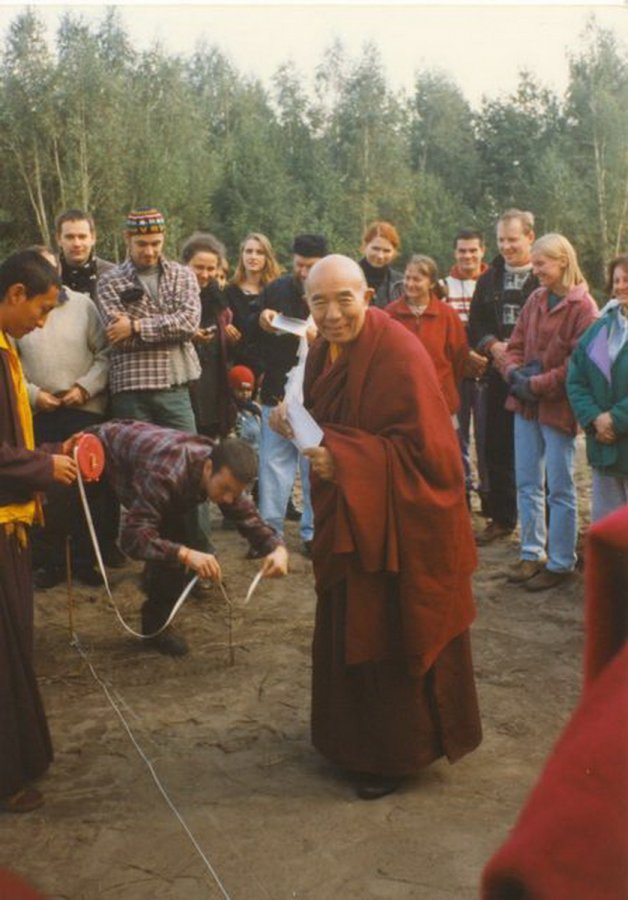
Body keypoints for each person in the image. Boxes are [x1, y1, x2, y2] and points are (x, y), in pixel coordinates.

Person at [272, 254, 481, 799]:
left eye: (345, 300)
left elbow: (432, 461)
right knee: (349, 623)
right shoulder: (323, 350)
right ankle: (350, 742)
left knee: (387, 630)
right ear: (307, 305)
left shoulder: (399, 353)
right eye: (320, 302)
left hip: (401, 529)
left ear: (367, 297)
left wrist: (342, 458)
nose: (333, 314)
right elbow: (323, 416)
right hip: (353, 520)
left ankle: (393, 756)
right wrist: (289, 419)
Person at [95, 420, 288, 657]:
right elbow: (132, 537)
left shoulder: (222, 470)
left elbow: (247, 516)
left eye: (235, 493)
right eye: (225, 489)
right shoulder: (167, 474)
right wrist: (185, 554)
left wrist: (277, 548)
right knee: (64, 526)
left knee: (176, 542)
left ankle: (156, 629)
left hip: (147, 461)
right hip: (99, 449)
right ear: (208, 468)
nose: (228, 499)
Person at [0, 249, 80, 813]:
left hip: (12, 523)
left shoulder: (6, 350)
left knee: (15, 648)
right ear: (14, 295)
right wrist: (41, 467)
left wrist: (51, 452)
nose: (43, 323)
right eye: (42, 309)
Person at [17, 247, 121, 588]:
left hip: (82, 407)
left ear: (59, 269)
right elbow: (12, 365)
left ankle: (84, 560)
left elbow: (105, 353)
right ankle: (51, 563)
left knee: (89, 486)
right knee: (46, 486)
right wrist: (35, 395)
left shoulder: (83, 305)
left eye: (52, 268)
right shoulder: (20, 312)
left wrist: (85, 388)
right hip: (40, 410)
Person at [501, 234, 598, 591]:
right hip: (525, 403)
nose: (535, 270)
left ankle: (560, 561)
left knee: (560, 486)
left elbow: (578, 364)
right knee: (527, 481)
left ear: (562, 261)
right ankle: (531, 553)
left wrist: (536, 384)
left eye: (541, 263)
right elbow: (514, 344)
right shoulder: (535, 299)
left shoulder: (584, 307)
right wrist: (513, 372)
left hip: (558, 407)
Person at [468, 209, 539, 545]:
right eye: (501, 240)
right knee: (496, 446)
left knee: (540, 450)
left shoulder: (544, 274)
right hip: (498, 374)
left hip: (537, 375)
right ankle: (502, 518)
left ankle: (542, 527)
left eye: (513, 239)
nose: (507, 246)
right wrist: (492, 345)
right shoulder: (489, 278)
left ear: (530, 237)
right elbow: (476, 323)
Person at [256, 233, 327, 555]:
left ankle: (314, 533)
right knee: (273, 464)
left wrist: (319, 339)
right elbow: (251, 326)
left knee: (313, 466)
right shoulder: (276, 288)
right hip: (277, 388)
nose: (303, 272)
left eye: (311, 266)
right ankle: (269, 534)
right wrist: (262, 320)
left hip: (316, 395)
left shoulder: (331, 291)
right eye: (299, 265)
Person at [567, 253, 628, 523]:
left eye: (627, 279)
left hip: (620, 434)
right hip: (605, 448)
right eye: (617, 280)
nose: (621, 286)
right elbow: (576, 378)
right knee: (607, 529)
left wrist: (615, 419)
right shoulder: (600, 329)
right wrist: (594, 418)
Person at [386, 254, 470, 419]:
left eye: (417, 280)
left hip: (441, 399)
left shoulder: (447, 315)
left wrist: (443, 384)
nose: (410, 284)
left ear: (431, 283)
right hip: (402, 400)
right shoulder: (390, 313)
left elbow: (460, 357)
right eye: (407, 278)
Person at [445, 229, 490, 511]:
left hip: (487, 374)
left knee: (487, 439)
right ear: (455, 252)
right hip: (456, 375)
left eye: (473, 250)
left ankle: (489, 497)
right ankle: (462, 494)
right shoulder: (443, 286)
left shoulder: (491, 283)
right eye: (462, 250)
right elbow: (443, 331)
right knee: (456, 437)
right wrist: (464, 353)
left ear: (482, 251)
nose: (467, 256)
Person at [181, 231, 238, 439]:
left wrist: (231, 340)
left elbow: (228, 352)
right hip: (184, 382)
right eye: (199, 267)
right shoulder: (175, 296)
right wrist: (189, 335)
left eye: (210, 269)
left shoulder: (220, 304)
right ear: (185, 265)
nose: (205, 274)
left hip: (213, 379)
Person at [224, 232, 282, 380]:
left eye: (259, 252)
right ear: (242, 255)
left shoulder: (277, 291)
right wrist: (225, 328)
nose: (253, 256)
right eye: (249, 251)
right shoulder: (229, 291)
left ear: (267, 257)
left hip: (271, 368)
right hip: (238, 367)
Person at [55, 208, 113, 300]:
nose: (77, 244)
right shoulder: (46, 274)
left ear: (93, 238)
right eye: (70, 237)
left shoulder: (112, 275)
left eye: (82, 237)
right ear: (58, 239)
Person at [357, 221, 404, 309]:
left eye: (386, 251)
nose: (380, 256)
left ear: (394, 252)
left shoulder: (400, 284)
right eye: (375, 249)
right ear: (365, 246)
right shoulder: (348, 277)